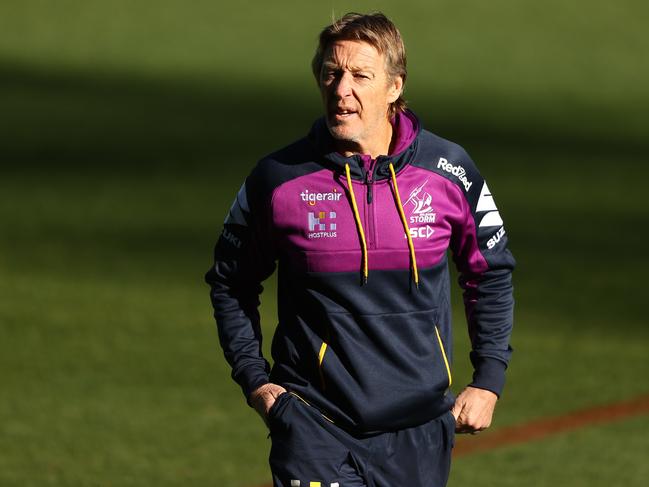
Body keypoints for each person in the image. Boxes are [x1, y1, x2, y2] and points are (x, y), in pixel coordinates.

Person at [205, 12, 515, 487]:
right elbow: (230, 280)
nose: (341, 88)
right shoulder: (278, 179)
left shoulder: (449, 172)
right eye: (331, 73)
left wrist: (488, 379)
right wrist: (256, 381)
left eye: (360, 76)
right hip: (314, 424)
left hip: (419, 430)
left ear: (394, 86)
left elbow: (489, 273)